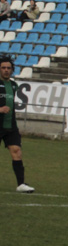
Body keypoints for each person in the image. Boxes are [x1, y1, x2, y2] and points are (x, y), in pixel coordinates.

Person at [0, 55, 35, 193]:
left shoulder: (14, 85)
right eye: (3, 68)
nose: (6, 70)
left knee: (17, 152)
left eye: (8, 68)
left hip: (11, 126)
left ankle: (21, 184)